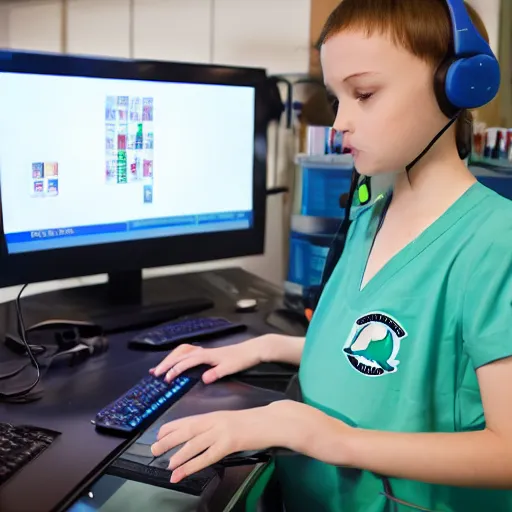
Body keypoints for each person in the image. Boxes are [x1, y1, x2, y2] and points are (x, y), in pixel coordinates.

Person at [150, 1, 512, 510]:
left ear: (459, 86)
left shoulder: (496, 245)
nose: (340, 121)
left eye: (363, 94)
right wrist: (269, 347)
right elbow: (389, 364)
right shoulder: (370, 216)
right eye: (337, 97)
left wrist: (328, 438)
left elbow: (507, 452)